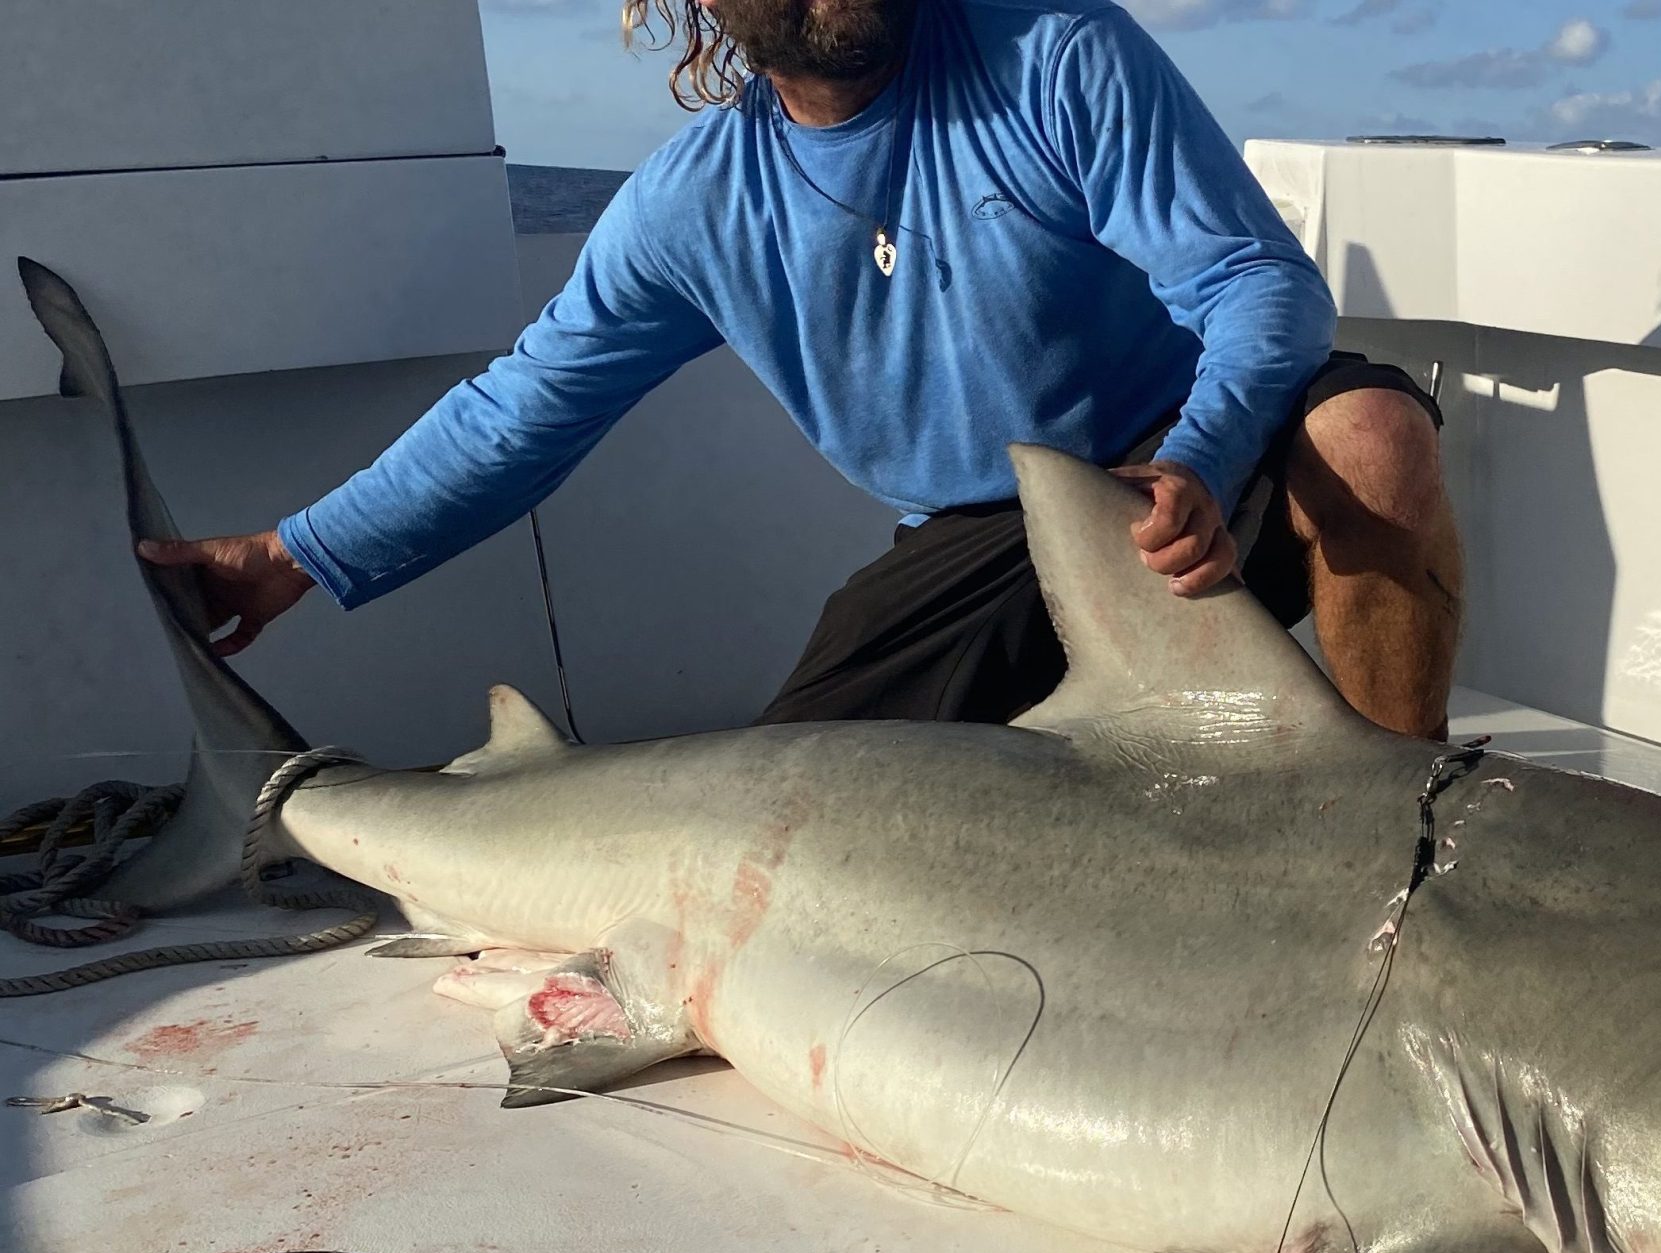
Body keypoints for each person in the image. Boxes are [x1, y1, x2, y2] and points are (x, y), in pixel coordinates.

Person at [141, 0, 1464, 737]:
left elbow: (1253, 286)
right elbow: (519, 418)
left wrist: (1200, 453)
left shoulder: (1055, 55)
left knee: (1369, 437)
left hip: (1188, 457)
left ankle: (1389, 853)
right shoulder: (695, 207)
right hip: (984, 531)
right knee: (800, 812)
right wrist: (289, 556)